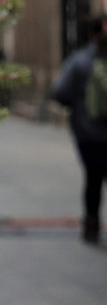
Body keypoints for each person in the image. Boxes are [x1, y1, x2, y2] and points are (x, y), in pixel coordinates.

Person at [52, 16, 107, 244]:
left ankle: (91, 225)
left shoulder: (79, 60)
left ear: (90, 34)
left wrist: (78, 105)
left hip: (88, 134)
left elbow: (60, 93)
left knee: (93, 180)